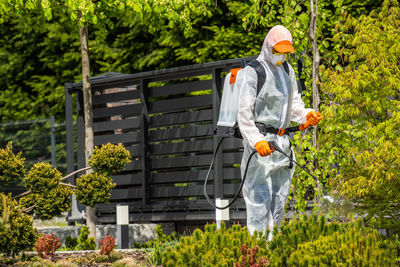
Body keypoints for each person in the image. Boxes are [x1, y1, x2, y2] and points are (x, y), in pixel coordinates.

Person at [237, 25, 322, 238]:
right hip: (262, 145)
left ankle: (273, 247)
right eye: (278, 50)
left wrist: (307, 115)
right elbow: (243, 113)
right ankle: (258, 252)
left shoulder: (287, 71)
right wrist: (256, 141)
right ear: (268, 47)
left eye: (285, 52)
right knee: (259, 199)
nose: (281, 55)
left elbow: (293, 104)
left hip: (282, 143)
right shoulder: (253, 72)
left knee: (279, 199)